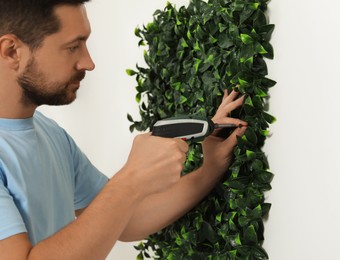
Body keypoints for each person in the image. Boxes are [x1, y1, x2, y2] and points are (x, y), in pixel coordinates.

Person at [0, 0, 247, 259]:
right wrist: (132, 179)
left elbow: (128, 221)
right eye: (73, 47)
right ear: (12, 51)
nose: (88, 62)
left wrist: (210, 170)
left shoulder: (51, 134)